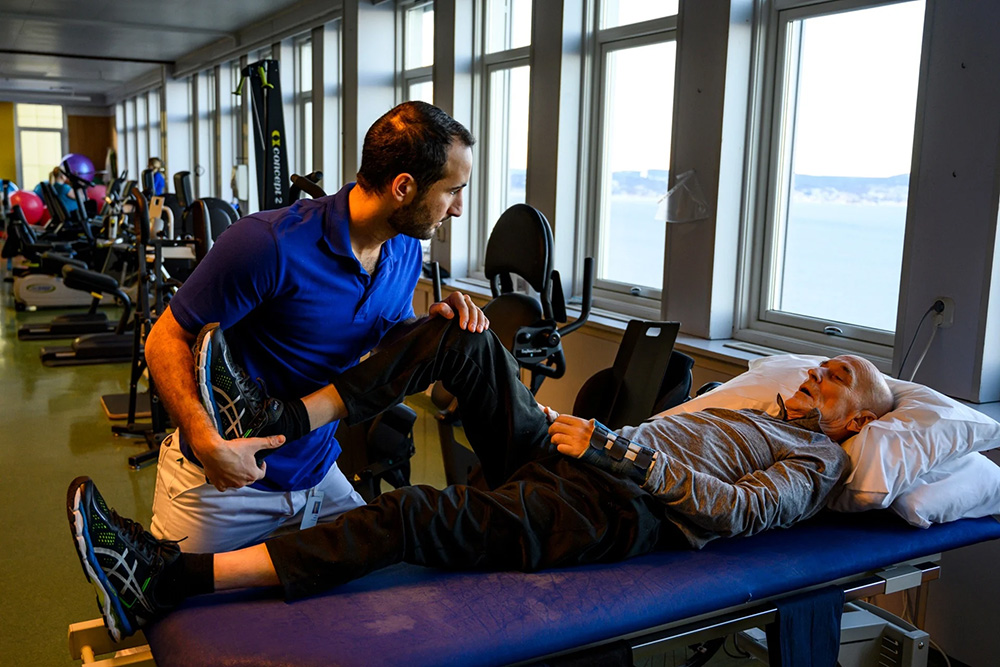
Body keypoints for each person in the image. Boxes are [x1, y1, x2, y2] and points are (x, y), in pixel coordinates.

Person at [68, 316, 894, 641]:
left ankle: (168, 579)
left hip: (612, 509)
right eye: (824, 362)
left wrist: (617, 450)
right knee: (461, 340)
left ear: (855, 420)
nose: (823, 370)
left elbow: (737, 513)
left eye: (841, 377)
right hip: (580, 456)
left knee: (415, 514)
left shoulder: (818, 462)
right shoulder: (747, 403)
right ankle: (278, 412)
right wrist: (600, 441)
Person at [143, 101, 487, 553]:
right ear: (403, 187)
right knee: (169, 609)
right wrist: (204, 440)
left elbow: (386, 327)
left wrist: (430, 330)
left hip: (318, 474)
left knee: (364, 602)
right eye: (453, 191)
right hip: (225, 484)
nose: (458, 208)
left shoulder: (402, 249)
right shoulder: (267, 244)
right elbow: (166, 336)